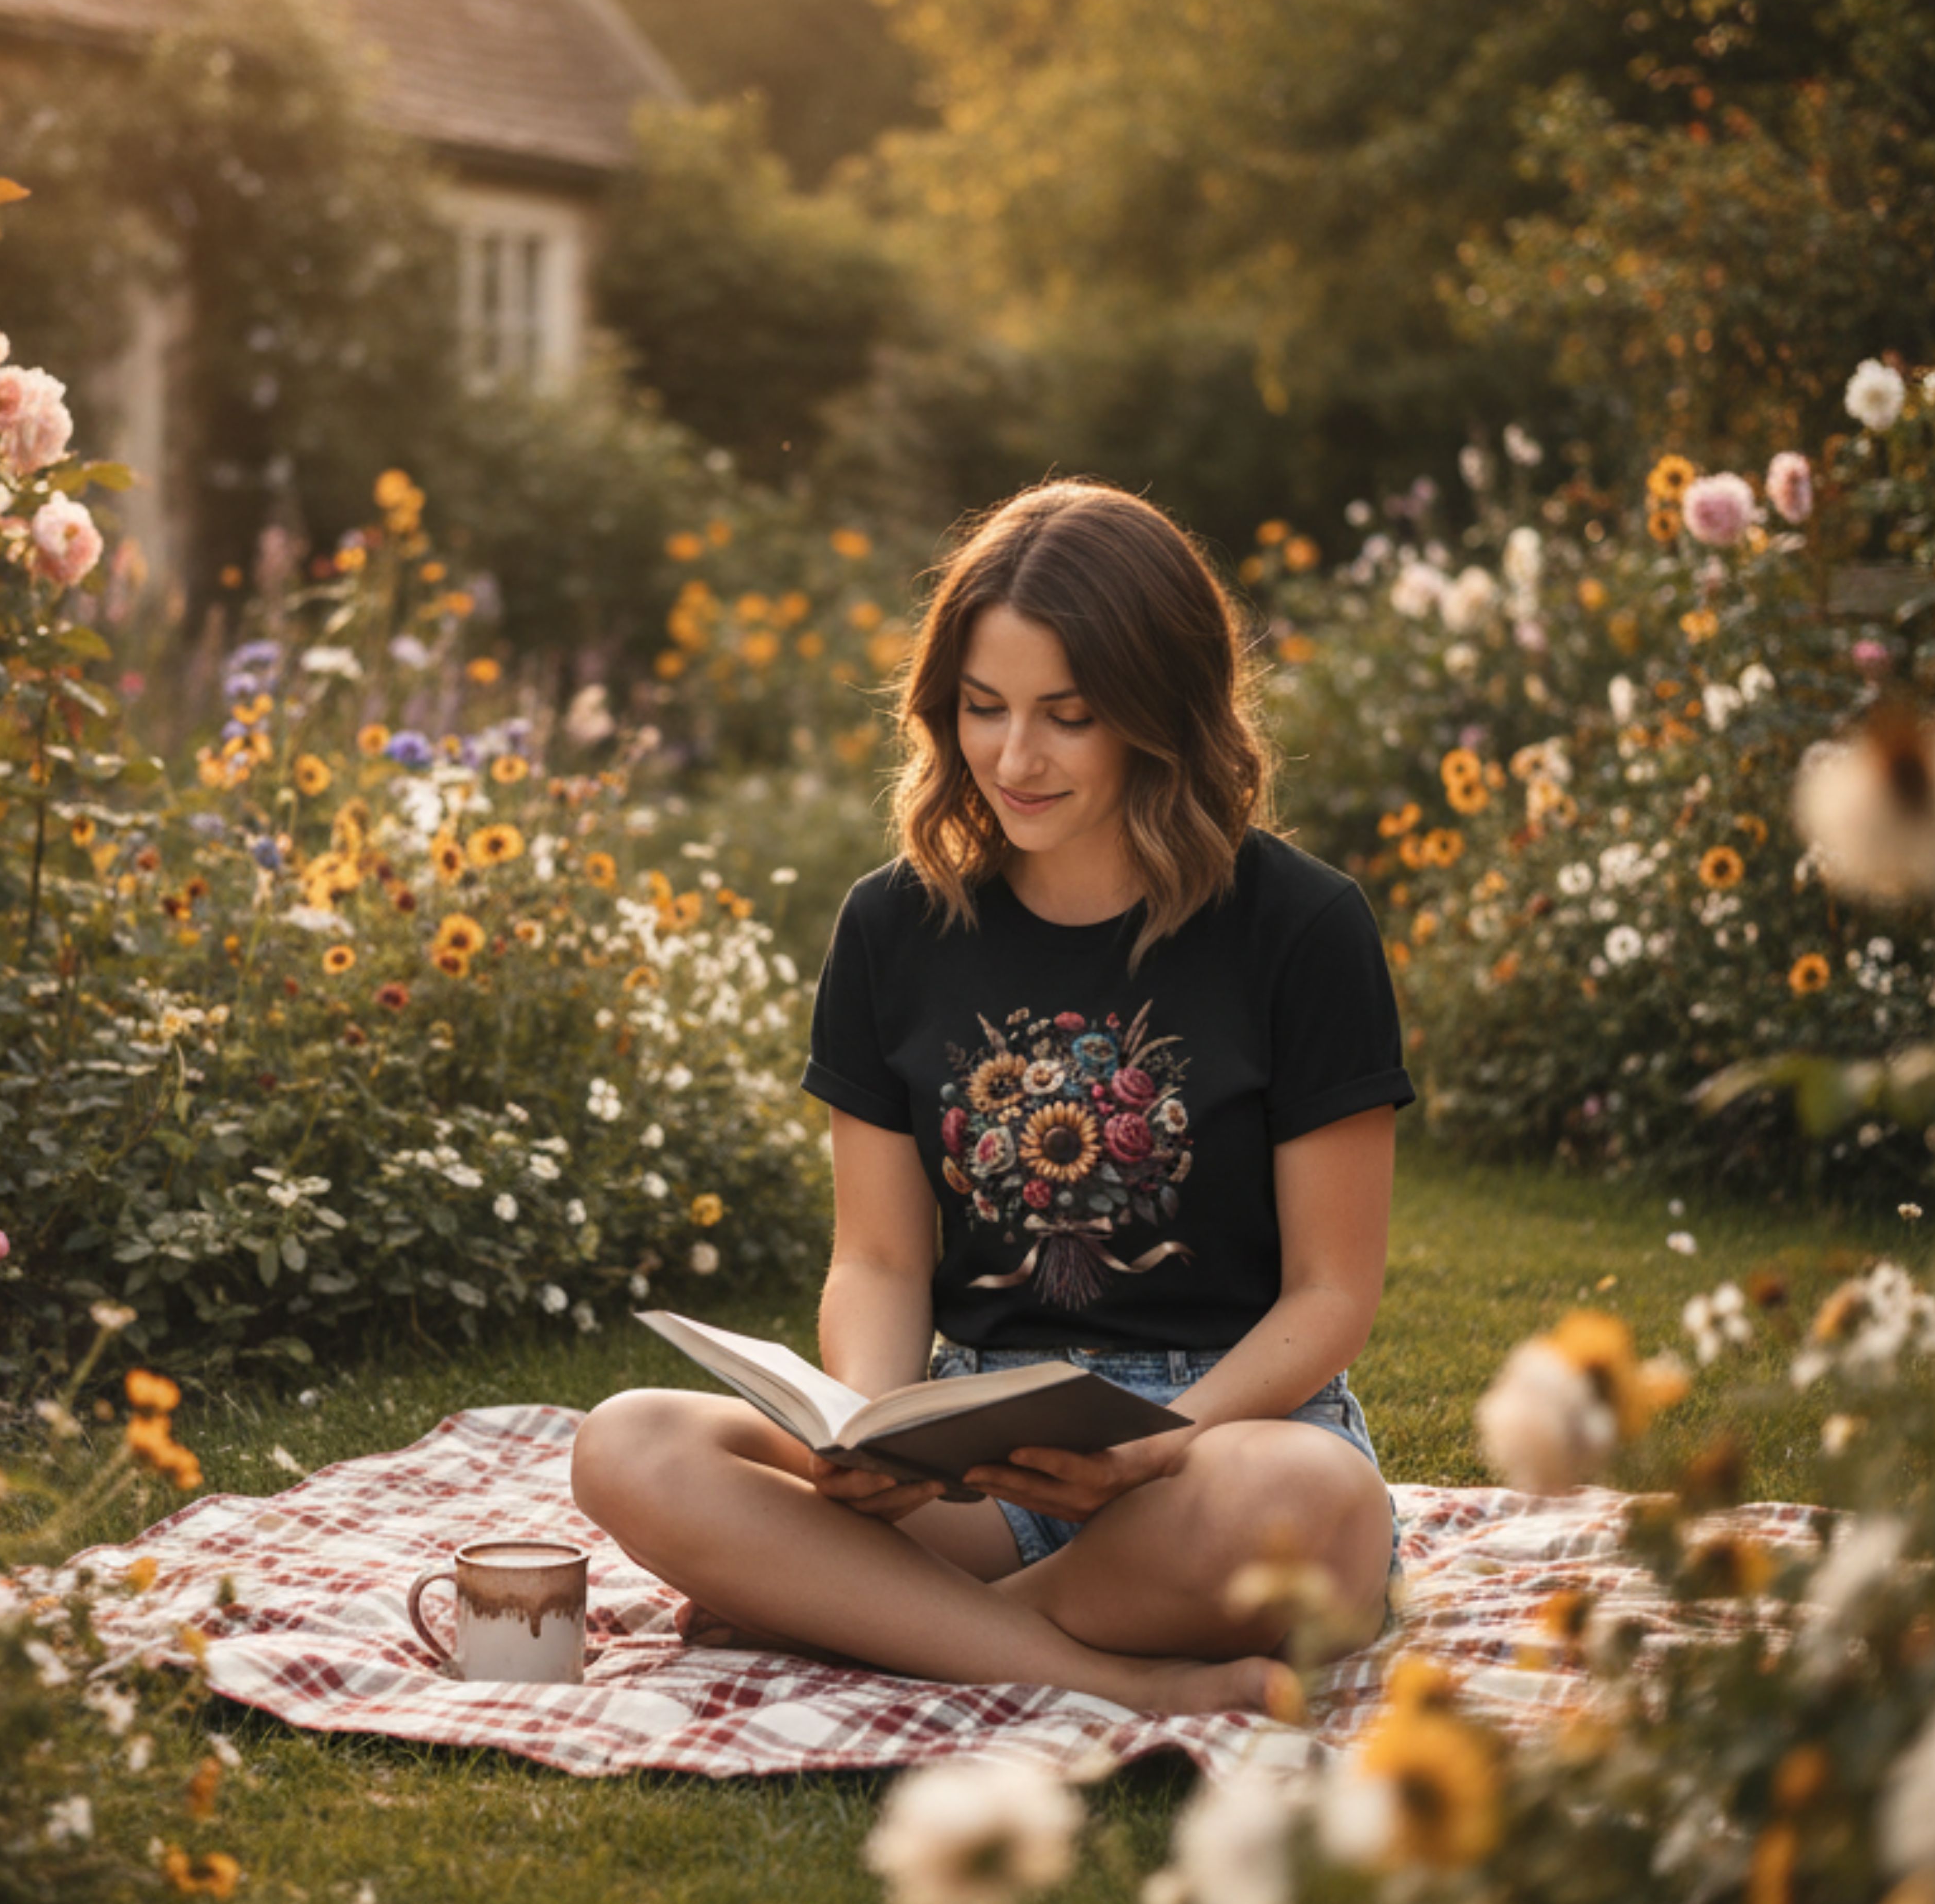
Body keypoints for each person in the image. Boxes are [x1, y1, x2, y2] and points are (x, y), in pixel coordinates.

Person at [572, 481, 1414, 1720]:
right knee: (629, 1443)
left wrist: (1162, 1437)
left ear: (1158, 712)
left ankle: (863, 1621)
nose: (1014, 759)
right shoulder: (892, 925)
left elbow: (1330, 1294)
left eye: (1067, 717)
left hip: (1221, 1443)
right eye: (982, 709)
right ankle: (1084, 1666)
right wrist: (868, 1432)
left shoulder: (1302, 928)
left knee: (1312, 1508)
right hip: (973, 1457)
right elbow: (873, 1256)